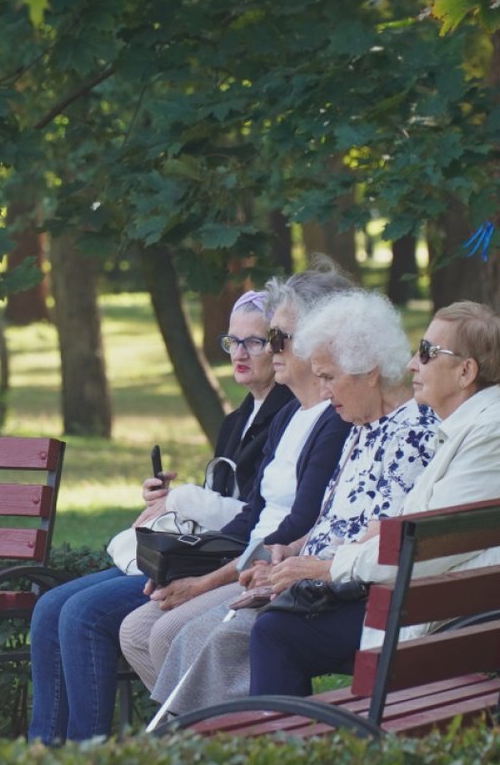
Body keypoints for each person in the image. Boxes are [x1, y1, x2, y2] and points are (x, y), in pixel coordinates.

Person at [134, 288, 438, 715]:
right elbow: (335, 521)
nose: (325, 391)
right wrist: (288, 551)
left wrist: (300, 569)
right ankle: (213, 742)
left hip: (354, 595)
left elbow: (382, 541)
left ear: (370, 371)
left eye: (330, 377)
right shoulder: (361, 425)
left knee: (237, 634)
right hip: (313, 583)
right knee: (205, 631)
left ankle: (232, 743)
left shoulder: (411, 433)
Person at [246, 300, 500, 697]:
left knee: (278, 633)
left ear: (466, 372)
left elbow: (425, 547)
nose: (413, 363)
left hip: (464, 618)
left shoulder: (499, 435)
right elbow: (431, 527)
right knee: (279, 627)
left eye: (428, 353)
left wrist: (326, 569)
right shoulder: (476, 429)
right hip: (449, 601)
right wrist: (384, 532)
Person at [26, 289, 293, 743]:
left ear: (280, 344)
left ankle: (86, 752)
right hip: (197, 549)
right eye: (232, 342)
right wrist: (167, 499)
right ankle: (44, 750)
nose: (241, 354)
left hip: (216, 563)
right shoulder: (237, 420)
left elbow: (252, 515)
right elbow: (224, 498)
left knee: (82, 614)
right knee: (50, 605)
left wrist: (187, 503)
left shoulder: (290, 413)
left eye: (254, 342)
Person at [117, 264, 355, 694]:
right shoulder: (287, 416)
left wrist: (207, 581)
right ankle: (210, 737)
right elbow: (254, 515)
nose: (270, 348)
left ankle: (223, 739)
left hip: (272, 571)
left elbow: (297, 527)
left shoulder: (335, 421)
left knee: (166, 633)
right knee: (136, 630)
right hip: (246, 562)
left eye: (277, 338)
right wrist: (188, 562)